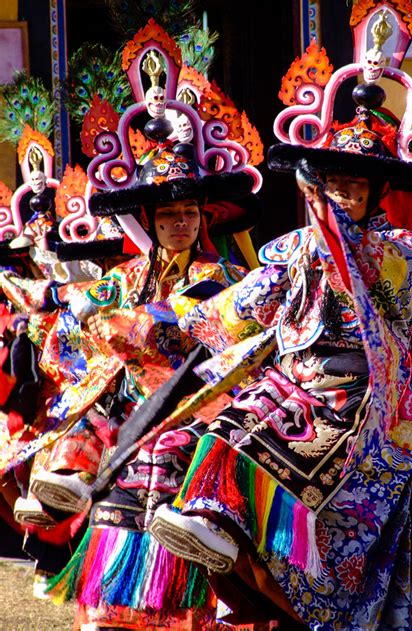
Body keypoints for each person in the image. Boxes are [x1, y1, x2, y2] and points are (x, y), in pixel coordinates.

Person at [147, 92, 412, 628]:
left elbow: (389, 293)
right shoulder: (295, 248)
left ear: (377, 190)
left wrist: (333, 240)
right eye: (331, 183)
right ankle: (215, 526)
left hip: (364, 406)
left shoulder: (403, 251)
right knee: (223, 432)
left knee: (345, 546)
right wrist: (178, 315)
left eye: (353, 185)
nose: (340, 193)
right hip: (294, 388)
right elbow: (246, 305)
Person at [45, 146, 258, 631]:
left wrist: (126, 328)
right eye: (167, 215)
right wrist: (91, 345)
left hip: (200, 417)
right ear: (149, 219)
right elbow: (63, 335)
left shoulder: (225, 279)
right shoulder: (123, 280)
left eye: (188, 213)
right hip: (127, 426)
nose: (179, 223)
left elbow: (230, 338)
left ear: (203, 217)